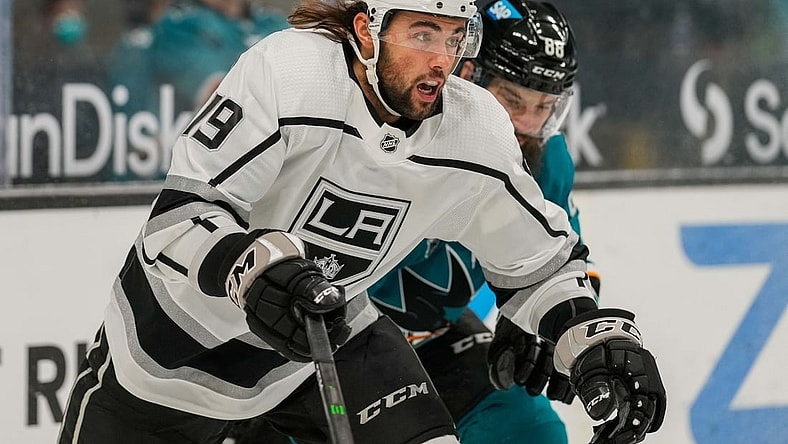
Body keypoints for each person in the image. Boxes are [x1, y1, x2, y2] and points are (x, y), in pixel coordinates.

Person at [58, 0, 666, 443]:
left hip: (328, 334)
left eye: (454, 38)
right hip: (165, 354)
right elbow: (177, 220)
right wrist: (252, 267)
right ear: (367, 31)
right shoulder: (290, 73)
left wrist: (594, 339)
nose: (441, 60)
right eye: (422, 33)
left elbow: (539, 265)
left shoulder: (475, 127)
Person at [228, 2, 596, 443]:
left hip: (431, 339)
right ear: (465, 74)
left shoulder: (547, 160)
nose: (526, 124)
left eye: (544, 107)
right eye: (512, 100)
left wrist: (545, 324)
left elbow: (565, 261)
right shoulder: (376, 138)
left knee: (530, 429)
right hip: (317, 340)